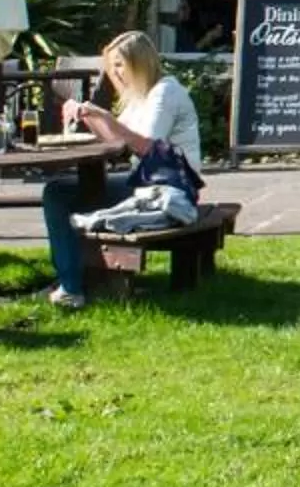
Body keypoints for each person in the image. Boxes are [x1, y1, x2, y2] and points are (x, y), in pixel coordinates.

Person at [41, 30, 203, 310]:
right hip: (146, 184)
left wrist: (104, 117)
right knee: (59, 190)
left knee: (58, 194)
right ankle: (72, 281)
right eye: (111, 65)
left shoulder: (165, 91)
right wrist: (87, 116)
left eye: (119, 65)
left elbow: (145, 147)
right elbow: (116, 141)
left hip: (171, 189)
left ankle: (71, 286)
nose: (114, 73)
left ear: (140, 63)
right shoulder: (139, 97)